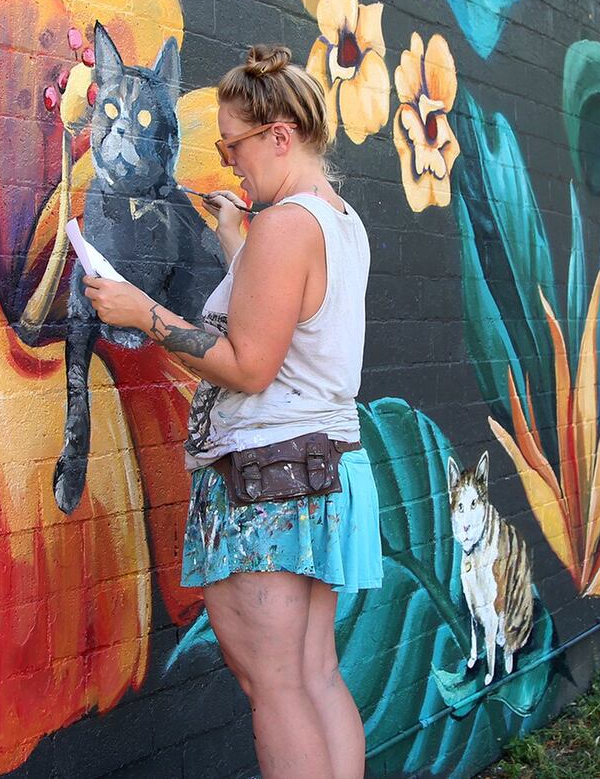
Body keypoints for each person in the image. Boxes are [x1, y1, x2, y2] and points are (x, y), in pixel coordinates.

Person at [83, 43, 381, 779]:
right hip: (321, 471)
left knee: (274, 687)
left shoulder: (286, 228)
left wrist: (143, 311)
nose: (228, 162)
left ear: (280, 135)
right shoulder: (339, 222)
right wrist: (232, 241)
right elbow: (291, 327)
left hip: (267, 484)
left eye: (233, 145)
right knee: (312, 675)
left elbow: (250, 364)